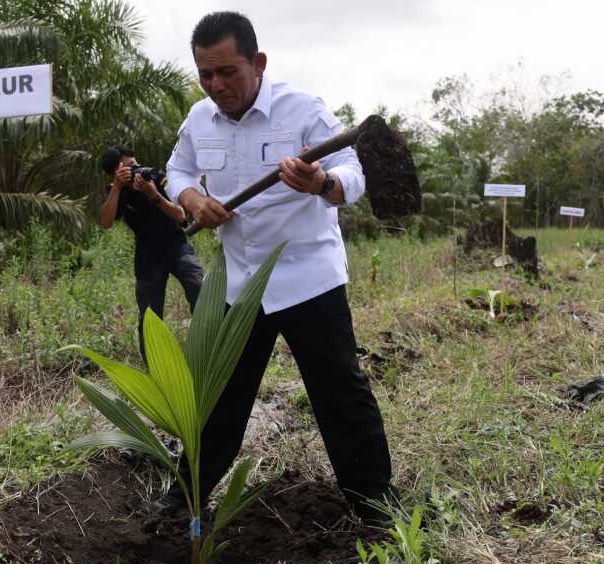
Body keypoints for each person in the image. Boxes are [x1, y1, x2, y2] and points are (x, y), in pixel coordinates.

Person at [161, 11, 397, 525]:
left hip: (306, 278)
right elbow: (175, 169)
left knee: (339, 393)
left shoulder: (302, 109)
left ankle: (375, 506)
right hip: (240, 284)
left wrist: (320, 184)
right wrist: (192, 198)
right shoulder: (199, 119)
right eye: (206, 74)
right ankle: (185, 501)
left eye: (228, 72)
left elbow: (351, 173)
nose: (216, 85)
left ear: (258, 62)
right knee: (218, 396)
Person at [100, 145, 204, 362]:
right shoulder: (116, 191)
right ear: (114, 173)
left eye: (135, 163)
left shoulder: (155, 178)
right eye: (129, 168)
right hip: (147, 257)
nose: (136, 170)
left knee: (199, 287)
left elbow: (180, 215)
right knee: (149, 317)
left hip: (176, 246)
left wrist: (154, 195)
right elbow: (106, 222)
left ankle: (207, 346)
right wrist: (117, 187)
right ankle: (154, 367)